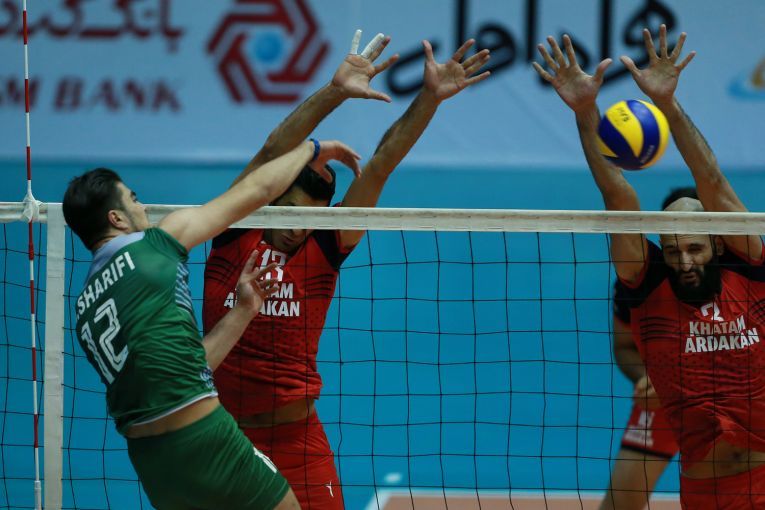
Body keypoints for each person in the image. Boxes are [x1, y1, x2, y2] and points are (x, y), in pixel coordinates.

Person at [203, 36, 491, 509]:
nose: (298, 229)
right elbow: (272, 150)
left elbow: (379, 166)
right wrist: (335, 92)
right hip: (223, 436)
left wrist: (429, 98)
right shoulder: (234, 231)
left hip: (296, 441)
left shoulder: (324, 247)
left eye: (310, 218)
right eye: (291, 213)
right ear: (269, 198)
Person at [534, 25, 765, 509]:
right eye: (673, 249)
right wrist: (585, 112)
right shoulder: (648, 282)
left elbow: (711, 178)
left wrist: (668, 105)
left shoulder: (748, 264)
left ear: (718, 241)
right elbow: (618, 197)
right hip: (711, 491)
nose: (684, 261)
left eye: (695, 249)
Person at [63, 135, 361, 510]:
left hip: (152, 463)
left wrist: (243, 310)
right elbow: (260, 188)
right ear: (116, 218)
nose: (143, 207)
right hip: (203, 435)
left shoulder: (85, 309)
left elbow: (188, 369)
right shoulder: (155, 245)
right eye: (134, 199)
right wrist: (311, 149)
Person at [601, 187, 697, 510]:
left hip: (728, 403)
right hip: (662, 404)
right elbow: (624, 346)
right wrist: (648, 377)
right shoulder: (640, 281)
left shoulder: (739, 273)